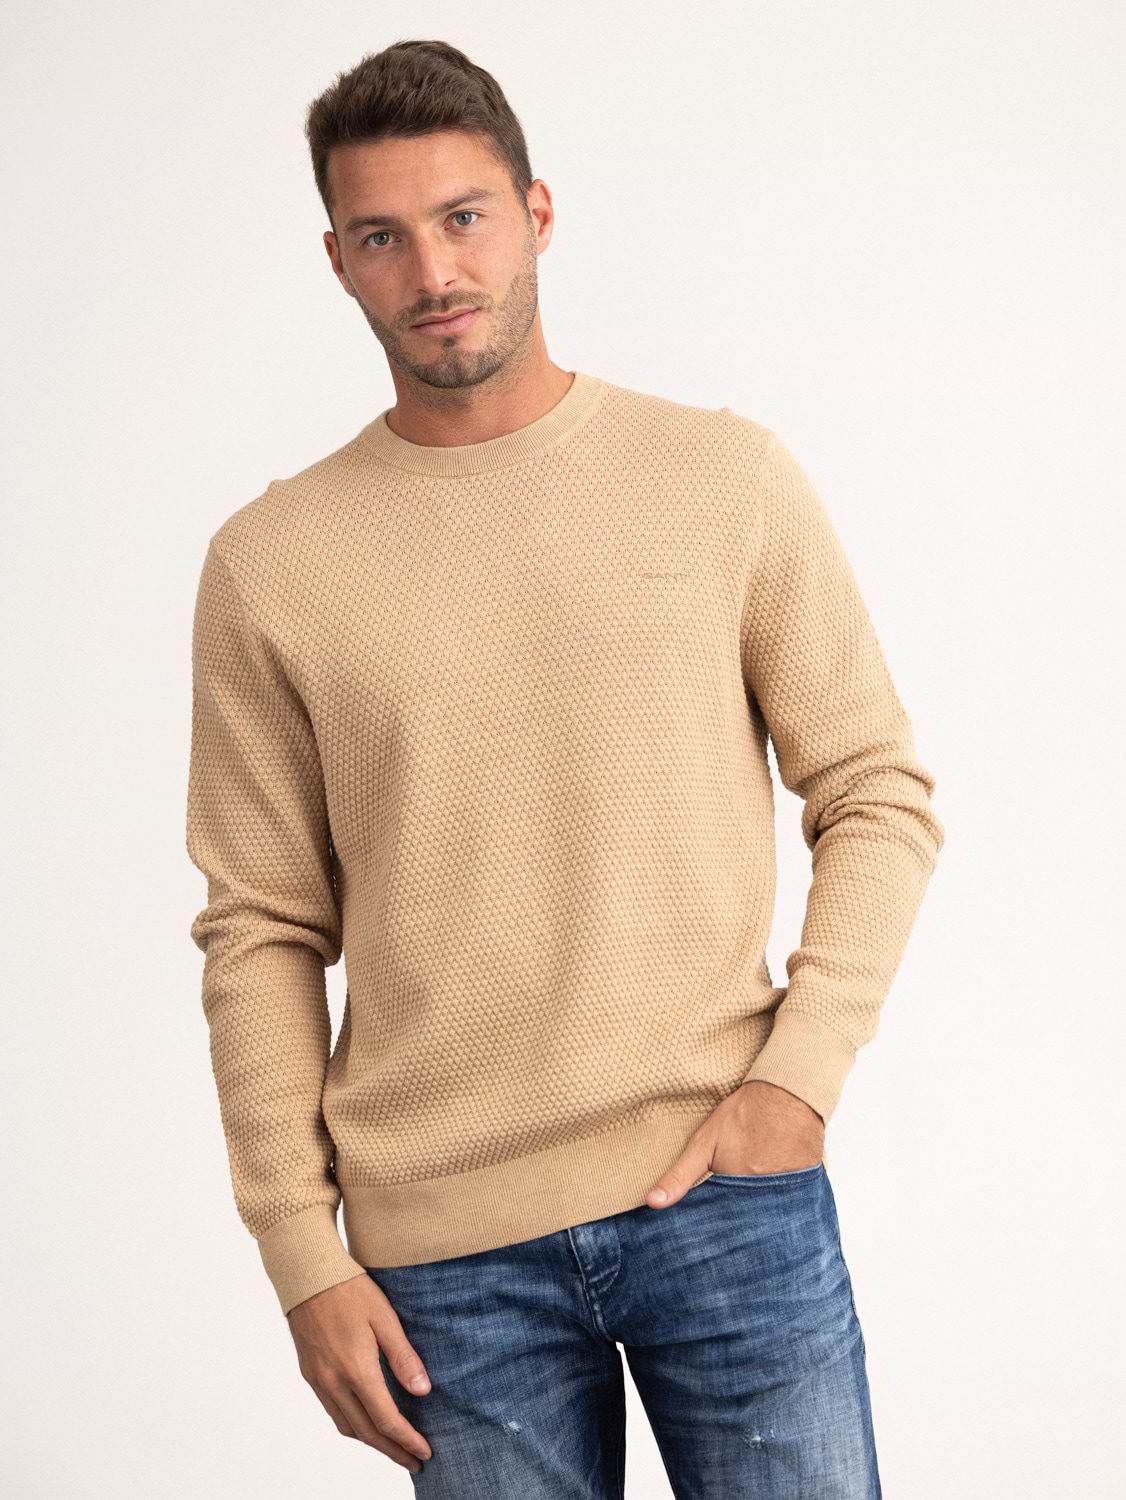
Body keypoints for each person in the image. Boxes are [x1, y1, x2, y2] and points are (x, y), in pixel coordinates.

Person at [185, 37, 943, 1498]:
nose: (433, 270)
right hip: (441, 1258)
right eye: (382, 237)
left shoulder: (722, 478)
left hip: (725, 1190)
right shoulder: (272, 563)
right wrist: (298, 1253)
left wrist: (799, 1078)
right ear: (337, 263)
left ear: (536, 213)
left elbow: (875, 793)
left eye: (463, 216)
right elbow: (261, 924)